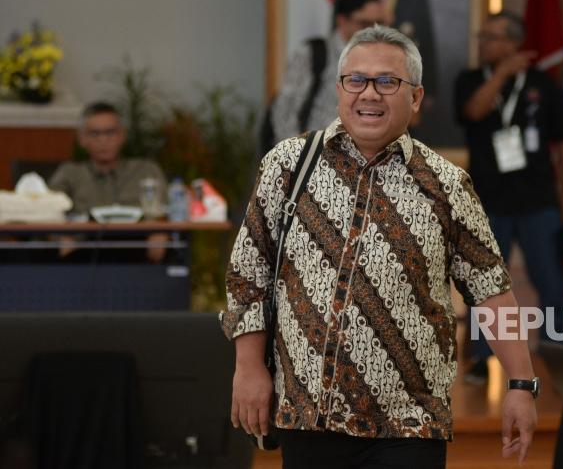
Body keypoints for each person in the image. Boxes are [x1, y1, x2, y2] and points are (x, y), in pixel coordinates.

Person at [222, 25, 538, 468]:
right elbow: (248, 274)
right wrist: (248, 366)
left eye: (388, 82)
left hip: (408, 426)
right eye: (357, 80)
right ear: (339, 89)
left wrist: (521, 384)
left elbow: (491, 291)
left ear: (415, 97)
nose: (369, 94)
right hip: (308, 417)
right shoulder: (288, 165)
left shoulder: (447, 186)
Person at [454, 11, 563, 385]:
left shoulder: (541, 83)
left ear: (512, 43)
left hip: (538, 199)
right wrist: (502, 75)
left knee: (550, 280)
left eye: (491, 37)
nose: (483, 43)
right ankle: (479, 357)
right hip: (487, 201)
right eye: (482, 36)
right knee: (484, 282)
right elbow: (474, 110)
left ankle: (559, 350)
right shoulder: (471, 80)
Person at [49, 102, 168, 263]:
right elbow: (46, 211)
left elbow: (169, 211)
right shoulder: (70, 173)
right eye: (95, 134)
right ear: (82, 139)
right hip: (83, 255)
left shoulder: (146, 170)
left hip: (137, 252)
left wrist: (159, 232)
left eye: (110, 133)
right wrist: (61, 236)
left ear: (122, 136)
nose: (103, 140)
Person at [271, 0, 384, 143]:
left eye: (379, 24)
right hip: (314, 156)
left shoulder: (381, 60)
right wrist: (296, 157)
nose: (373, 31)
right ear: (342, 21)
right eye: (364, 23)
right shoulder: (312, 54)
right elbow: (285, 110)